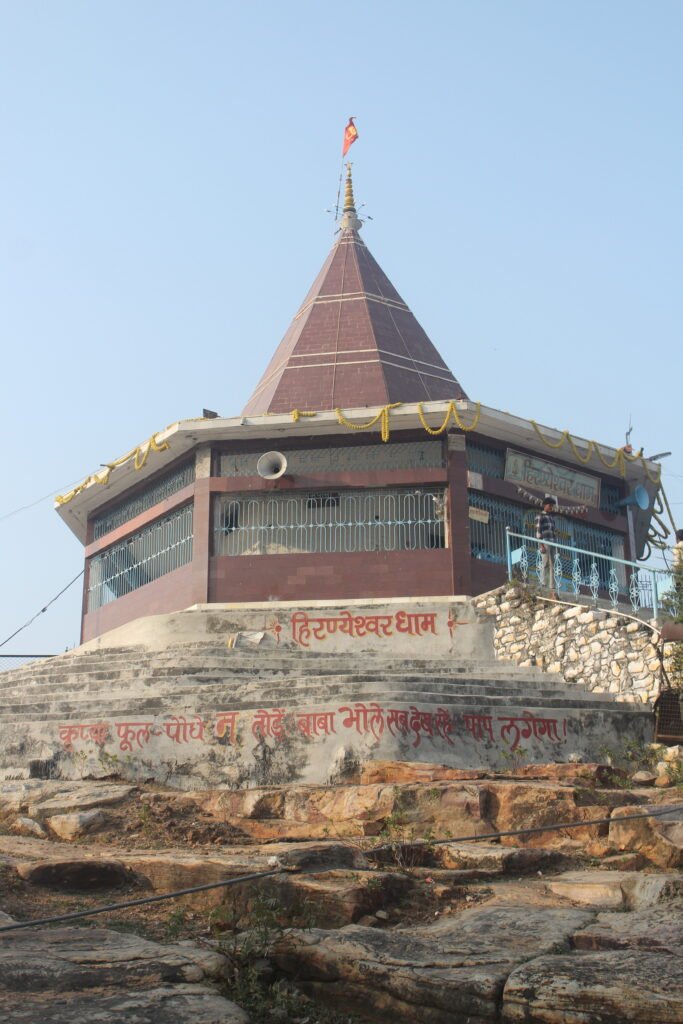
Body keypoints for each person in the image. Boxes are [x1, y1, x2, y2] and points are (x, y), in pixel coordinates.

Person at [535, 495, 558, 597]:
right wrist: (541, 545)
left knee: (552, 563)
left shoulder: (551, 517)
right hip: (545, 541)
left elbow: (553, 532)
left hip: (552, 542)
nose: (551, 507)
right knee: (544, 563)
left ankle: (552, 585)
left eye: (552, 506)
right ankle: (543, 582)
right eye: (550, 505)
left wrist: (556, 546)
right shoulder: (540, 516)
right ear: (545, 505)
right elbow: (538, 531)